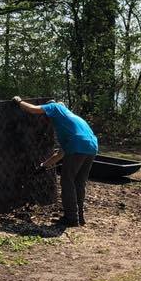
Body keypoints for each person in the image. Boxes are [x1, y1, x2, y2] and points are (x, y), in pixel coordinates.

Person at [13, 96, 98, 227]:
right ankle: (79, 217)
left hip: (77, 145)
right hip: (92, 146)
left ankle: (71, 218)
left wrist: (19, 101)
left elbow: (33, 110)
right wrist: (43, 166)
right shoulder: (70, 120)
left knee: (67, 181)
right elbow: (61, 154)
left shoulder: (55, 107)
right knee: (79, 183)